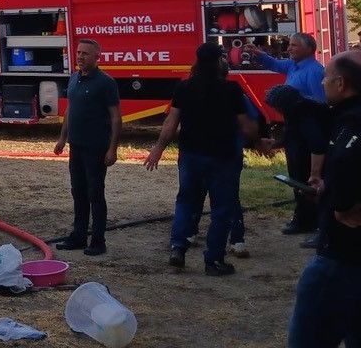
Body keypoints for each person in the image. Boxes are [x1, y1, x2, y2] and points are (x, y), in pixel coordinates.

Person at [145, 42, 264, 276]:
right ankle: (214, 260)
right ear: (220, 62)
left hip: (191, 156)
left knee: (186, 201)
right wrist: (259, 141)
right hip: (223, 158)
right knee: (222, 208)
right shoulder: (231, 90)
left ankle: (178, 248)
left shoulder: (184, 88)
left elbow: (171, 122)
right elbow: (248, 127)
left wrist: (158, 148)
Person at [287, 50, 361, 347]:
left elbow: (345, 162)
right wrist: (327, 188)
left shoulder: (351, 122)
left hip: (342, 257)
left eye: (326, 78)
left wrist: (342, 204)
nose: (322, 83)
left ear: (341, 83)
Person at [247, 33, 328, 243]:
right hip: (294, 128)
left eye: (294, 45)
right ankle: (302, 219)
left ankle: (319, 223)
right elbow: (275, 64)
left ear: (309, 49)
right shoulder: (293, 65)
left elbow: (321, 104)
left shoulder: (314, 71)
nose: (289, 48)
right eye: (289, 45)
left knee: (308, 176)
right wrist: (259, 54)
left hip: (308, 128)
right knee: (296, 175)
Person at [53, 38, 121, 256]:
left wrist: (112, 148)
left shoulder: (106, 83)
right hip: (77, 146)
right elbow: (70, 110)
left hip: (96, 147)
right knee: (78, 191)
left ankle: (98, 240)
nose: (80, 57)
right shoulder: (74, 79)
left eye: (85, 54)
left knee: (95, 193)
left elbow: (116, 117)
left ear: (97, 57)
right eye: (79, 53)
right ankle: (79, 236)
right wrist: (62, 138)